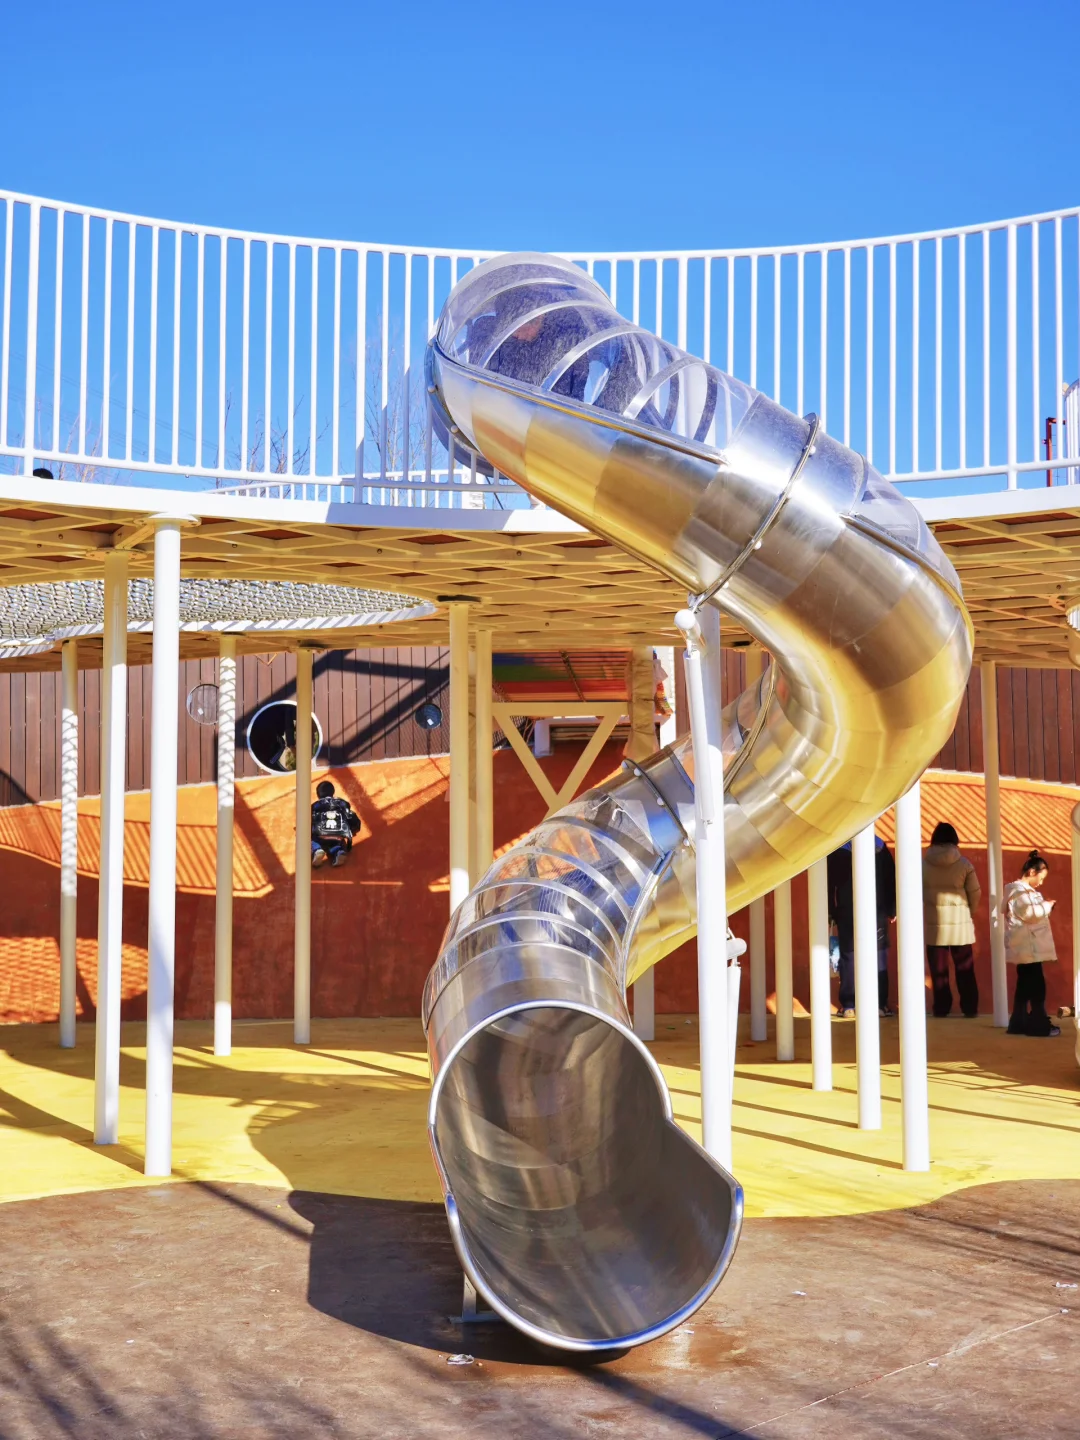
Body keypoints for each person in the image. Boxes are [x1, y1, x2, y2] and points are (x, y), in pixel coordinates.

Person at [827, 836, 897, 1018]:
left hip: (847, 910)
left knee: (849, 955)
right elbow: (891, 879)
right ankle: (880, 1005)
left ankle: (849, 1005)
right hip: (877, 910)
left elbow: (829, 882)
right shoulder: (880, 847)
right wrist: (892, 909)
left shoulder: (838, 848)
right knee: (879, 954)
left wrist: (831, 911)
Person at [922, 821, 981, 1017]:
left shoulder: (923, 864)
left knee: (938, 971)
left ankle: (941, 1008)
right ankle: (970, 1009)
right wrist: (969, 912)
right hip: (960, 924)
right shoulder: (964, 864)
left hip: (935, 924)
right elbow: (975, 892)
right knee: (965, 968)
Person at [1004, 850, 1061, 1037]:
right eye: (1041, 877)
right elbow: (1029, 913)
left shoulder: (1022, 891)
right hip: (1028, 947)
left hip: (1027, 946)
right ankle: (1039, 1025)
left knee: (1024, 986)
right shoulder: (1019, 892)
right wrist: (1047, 905)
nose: (1041, 882)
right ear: (1031, 872)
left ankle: (1018, 1023)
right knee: (1037, 987)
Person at [311, 779, 361, 868]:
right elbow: (350, 815)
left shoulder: (315, 805)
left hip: (321, 833)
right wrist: (353, 829)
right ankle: (338, 851)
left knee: (314, 838)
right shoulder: (342, 803)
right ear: (333, 792)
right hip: (338, 834)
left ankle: (317, 850)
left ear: (318, 795)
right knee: (337, 841)